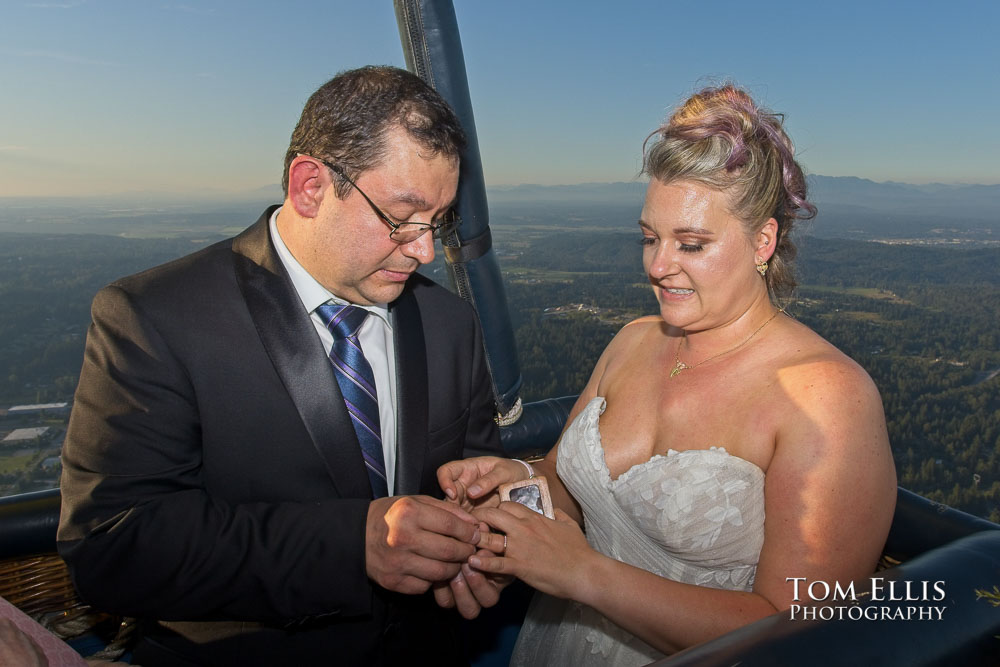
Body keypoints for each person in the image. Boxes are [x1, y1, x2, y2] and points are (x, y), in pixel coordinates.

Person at [57, 66, 504, 667]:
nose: (424, 249)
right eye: (402, 218)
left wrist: (481, 550)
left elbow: (470, 483)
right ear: (311, 186)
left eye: (438, 222)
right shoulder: (154, 318)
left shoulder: (450, 323)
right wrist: (353, 547)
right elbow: (113, 546)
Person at [439, 85, 898, 665]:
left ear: (764, 241)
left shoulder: (829, 398)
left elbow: (798, 632)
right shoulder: (633, 340)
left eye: (692, 243)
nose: (658, 267)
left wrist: (585, 575)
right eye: (650, 238)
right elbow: (564, 483)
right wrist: (515, 484)